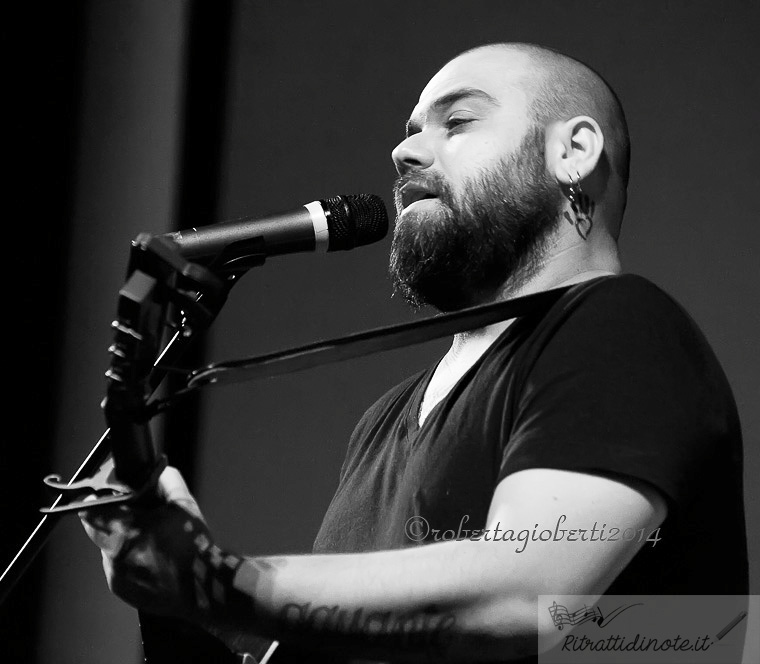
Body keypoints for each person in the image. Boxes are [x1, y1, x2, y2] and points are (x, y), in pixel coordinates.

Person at [80, 42, 748, 663]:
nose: (405, 153)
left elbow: (530, 595)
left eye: (457, 122)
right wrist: (171, 598)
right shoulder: (381, 423)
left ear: (574, 150)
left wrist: (219, 579)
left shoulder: (618, 326)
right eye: (409, 131)